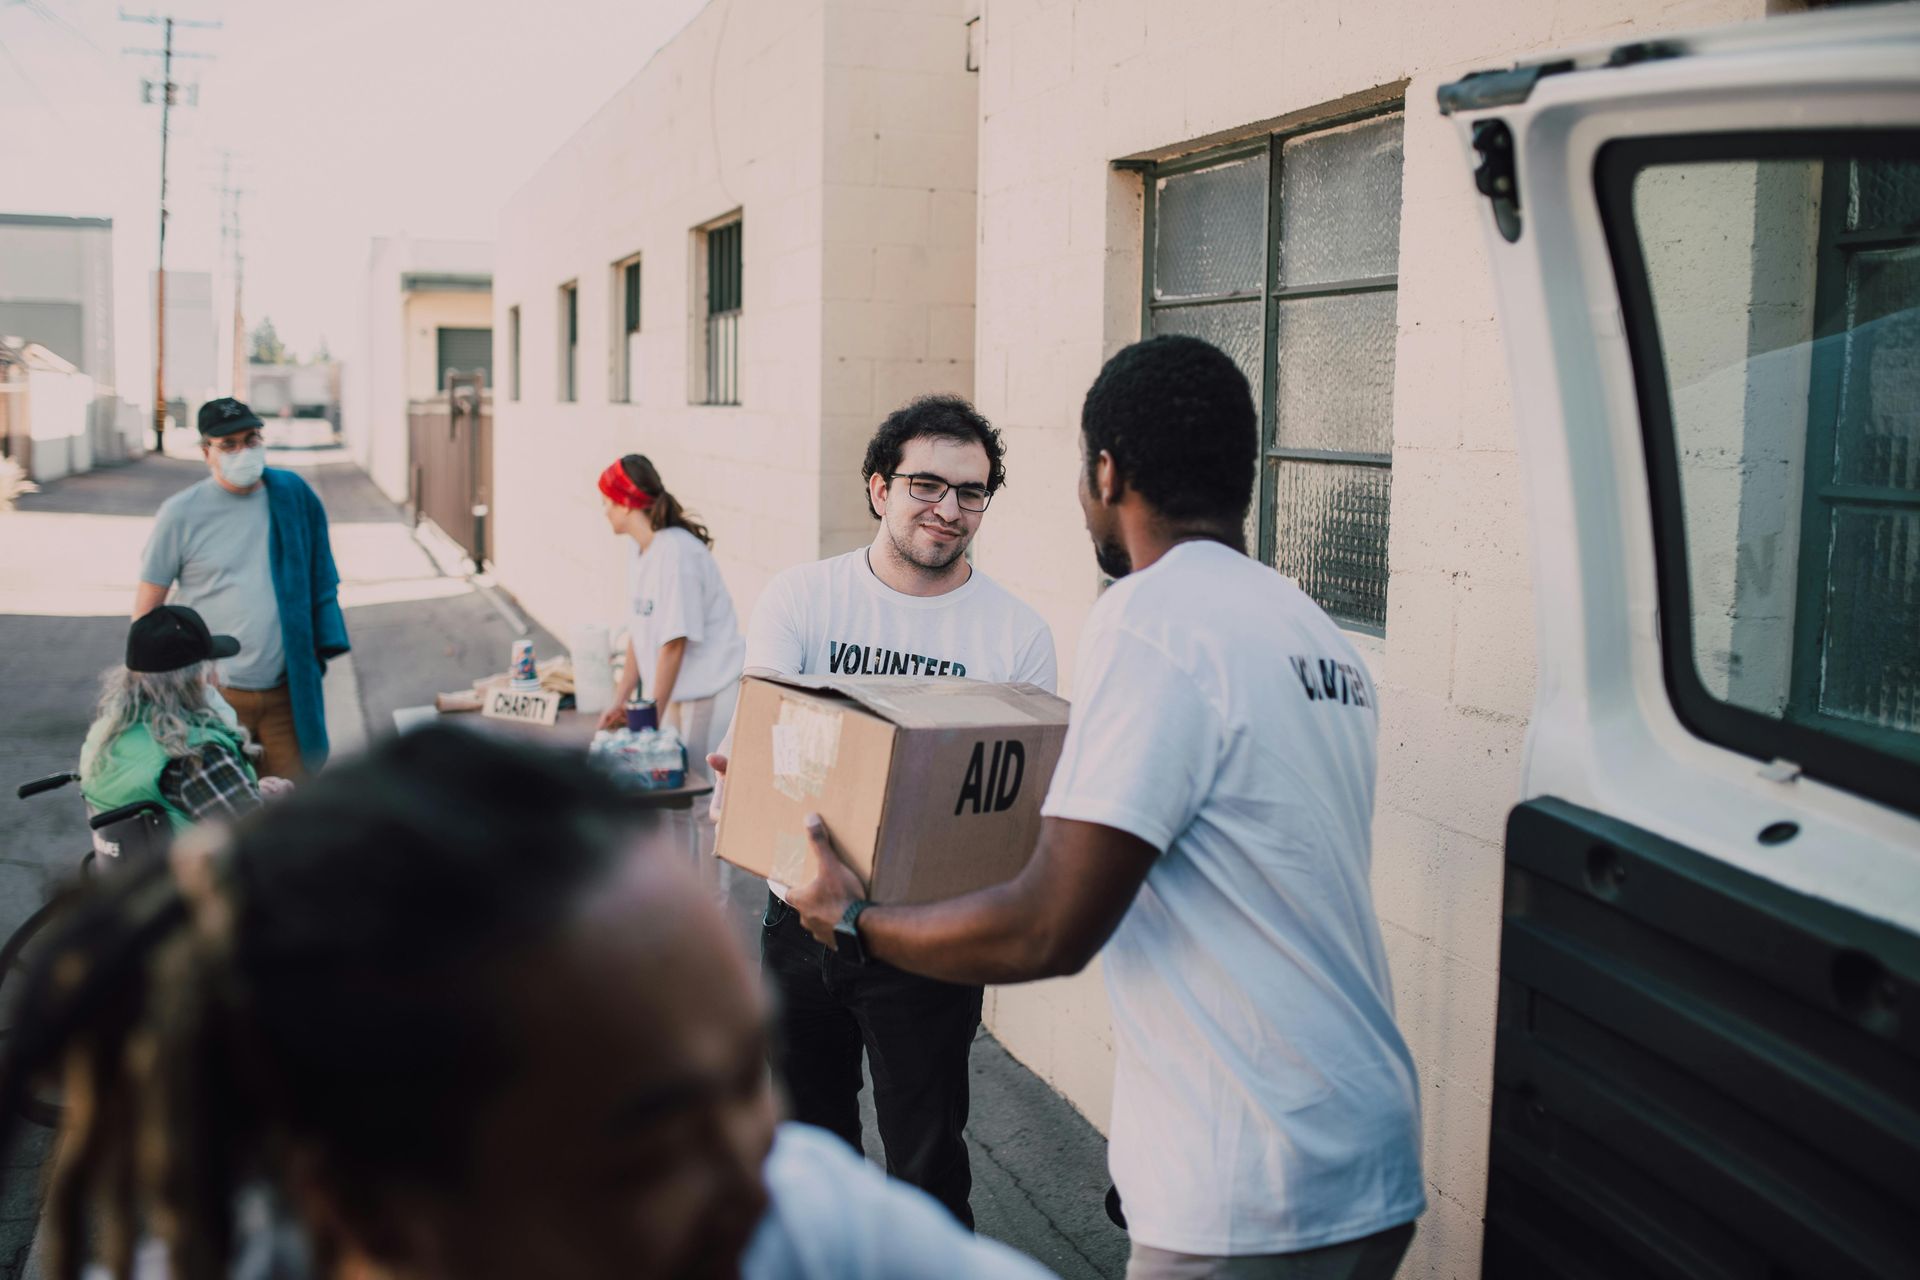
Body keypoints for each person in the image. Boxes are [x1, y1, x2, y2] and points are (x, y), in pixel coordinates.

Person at [789, 337, 1426, 1279]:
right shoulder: (1311, 629)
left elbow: (1052, 925)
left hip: (1247, 1174)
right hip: (1370, 1143)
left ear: (1106, 471)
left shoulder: (1150, 615)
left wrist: (856, 924)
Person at [0, 728, 1051, 1280]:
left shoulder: (787, 1221)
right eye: (655, 1127)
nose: (758, 1157)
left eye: (749, 1075)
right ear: (363, 1196)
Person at [710, 395, 1057, 1227]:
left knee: (928, 1164)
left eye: (971, 492)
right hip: (799, 919)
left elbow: (1012, 811)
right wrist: (749, 776)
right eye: (926, 484)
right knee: (807, 1155)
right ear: (878, 488)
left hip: (932, 941)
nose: (949, 509)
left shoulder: (1017, 635)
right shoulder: (803, 599)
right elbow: (764, 750)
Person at [134, 397, 349, 780]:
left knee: (293, 807)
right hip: (213, 699)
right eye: (228, 444)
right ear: (207, 452)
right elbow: (148, 612)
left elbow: (320, 576)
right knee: (226, 813)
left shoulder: (292, 496)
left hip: (286, 692)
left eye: (251, 439)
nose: (243, 451)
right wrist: (162, 688)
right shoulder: (181, 513)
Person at [78, 604, 291, 832]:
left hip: (129, 865)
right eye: (212, 669)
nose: (217, 680)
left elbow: (168, 800)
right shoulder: (197, 755)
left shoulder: (106, 735)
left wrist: (252, 793)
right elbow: (261, 840)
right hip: (197, 866)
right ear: (197, 680)